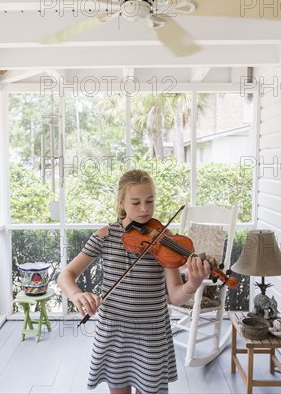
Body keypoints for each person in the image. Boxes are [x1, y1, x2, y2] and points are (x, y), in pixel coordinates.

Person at [57, 169, 210, 394]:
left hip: (152, 332)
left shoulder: (164, 240)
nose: (144, 209)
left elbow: (176, 296)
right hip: (114, 331)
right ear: (121, 203)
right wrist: (77, 294)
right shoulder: (105, 236)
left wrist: (193, 284)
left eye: (150, 201)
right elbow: (65, 275)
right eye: (136, 202)